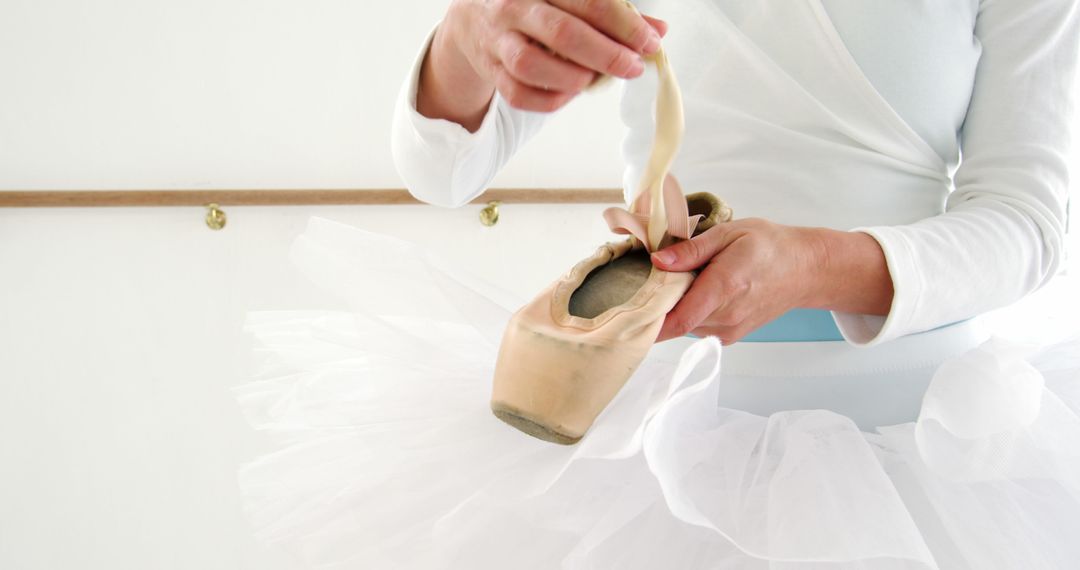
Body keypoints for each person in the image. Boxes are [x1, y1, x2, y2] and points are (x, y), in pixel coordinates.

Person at [236, 1, 1080, 568]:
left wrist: (814, 266)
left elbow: (1028, 223)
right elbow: (440, 170)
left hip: (922, 445)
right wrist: (470, 33)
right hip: (652, 442)